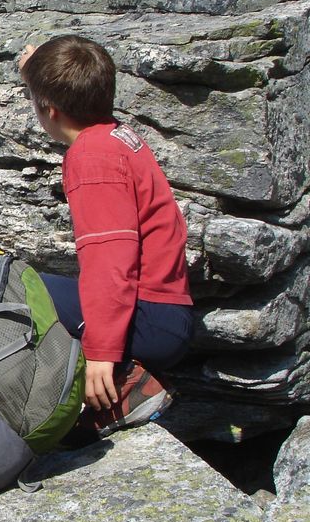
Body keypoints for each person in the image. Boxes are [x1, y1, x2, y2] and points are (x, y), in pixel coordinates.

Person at [18, 35, 194, 436]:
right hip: (165, 310)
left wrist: (102, 352)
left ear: (49, 109)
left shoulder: (91, 159)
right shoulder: (115, 135)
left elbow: (110, 263)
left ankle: (124, 387)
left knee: (15, 288)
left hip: (149, 321)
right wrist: (34, 71)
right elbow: (65, 86)